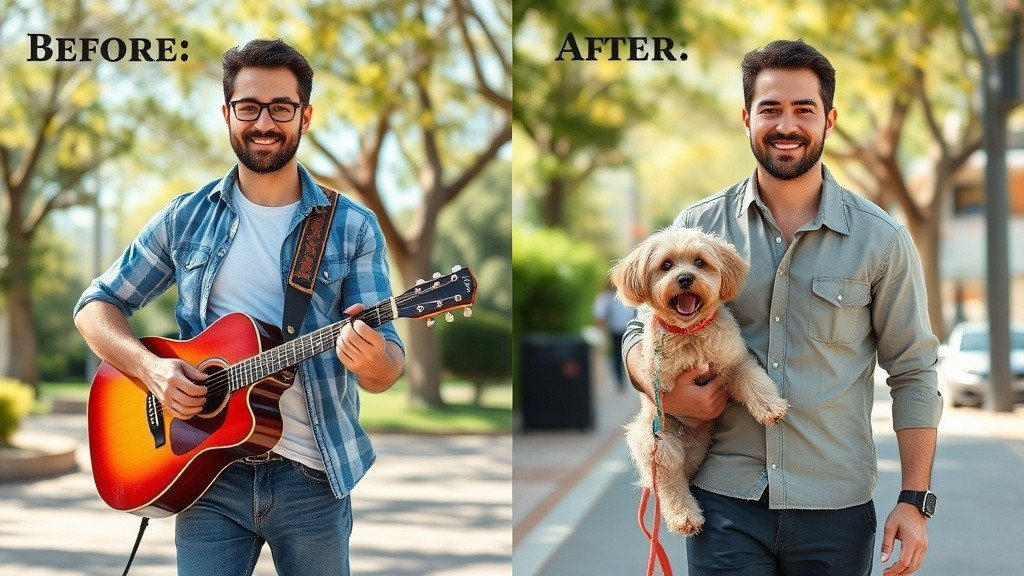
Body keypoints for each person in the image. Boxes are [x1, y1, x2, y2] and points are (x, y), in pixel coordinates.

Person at [73, 38, 405, 576]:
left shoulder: (351, 227)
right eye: (249, 107)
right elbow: (94, 306)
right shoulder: (186, 218)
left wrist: (371, 359)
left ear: (306, 115)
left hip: (313, 480)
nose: (265, 122)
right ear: (227, 114)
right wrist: (153, 371)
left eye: (282, 107)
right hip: (204, 473)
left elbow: (386, 369)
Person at [622, 39, 942, 576]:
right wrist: (659, 386)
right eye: (770, 109)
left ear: (829, 119)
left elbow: (914, 372)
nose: (786, 125)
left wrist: (915, 499)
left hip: (835, 506)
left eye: (804, 109)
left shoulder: (882, 240)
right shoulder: (698, 229)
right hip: (723, 499)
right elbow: (638, 332)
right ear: (746, 118)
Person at [592, 280, 637, 391]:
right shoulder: (606, 297)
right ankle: (622, 381)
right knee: (622, 356)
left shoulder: (610, 296)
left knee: (620, 356)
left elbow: (600, 315)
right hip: (619, 330)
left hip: (625, 329)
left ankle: (623, 381)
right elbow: (600, 316)